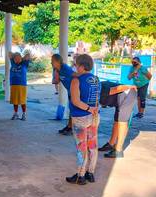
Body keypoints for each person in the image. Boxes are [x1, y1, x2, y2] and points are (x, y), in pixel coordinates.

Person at [66, 54, 100, 185]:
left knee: (82, 147)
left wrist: (88, 108)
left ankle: (80, 176)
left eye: (76, 64)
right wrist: (92, 109)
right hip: (95, 116)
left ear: (81, 66)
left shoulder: (77, 81)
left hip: (81, 117)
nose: (75, 67)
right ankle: (90, 173)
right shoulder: (96, 79)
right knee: (93, 145)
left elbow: (75, 101)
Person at [98, 82, 137, 158]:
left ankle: (118, 151)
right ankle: (111, 144)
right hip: (118, 98)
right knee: (116, 120)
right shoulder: (91, 93)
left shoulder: (101, 90)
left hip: (128, 94)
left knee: (122, 122)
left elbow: (118, 88)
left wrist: (129, 86)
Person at [51, 54, 76, 135]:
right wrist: (56, 75)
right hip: (70, 91)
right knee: (71, 109)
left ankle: (72, 128)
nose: (51, 62)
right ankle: (69, 126)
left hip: (75, 91)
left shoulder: (65, 68)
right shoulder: (57, 69)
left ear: (58, 61)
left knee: (74, 110)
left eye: (53, 61)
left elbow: (75, 75)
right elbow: (56, 81)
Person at [9, 52, 30, 121]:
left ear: (21, 58)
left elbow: (28, 55)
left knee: (22, 101)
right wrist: (14, 57)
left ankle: (24, 114)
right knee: (15, 101)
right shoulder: (13, 63)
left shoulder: (24, 64)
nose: (17, 59)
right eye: (15, 58)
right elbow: (9, 53)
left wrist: (21, 59)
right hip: (13, 84)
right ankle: (15, 114)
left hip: (22, 85)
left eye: (18, 58)